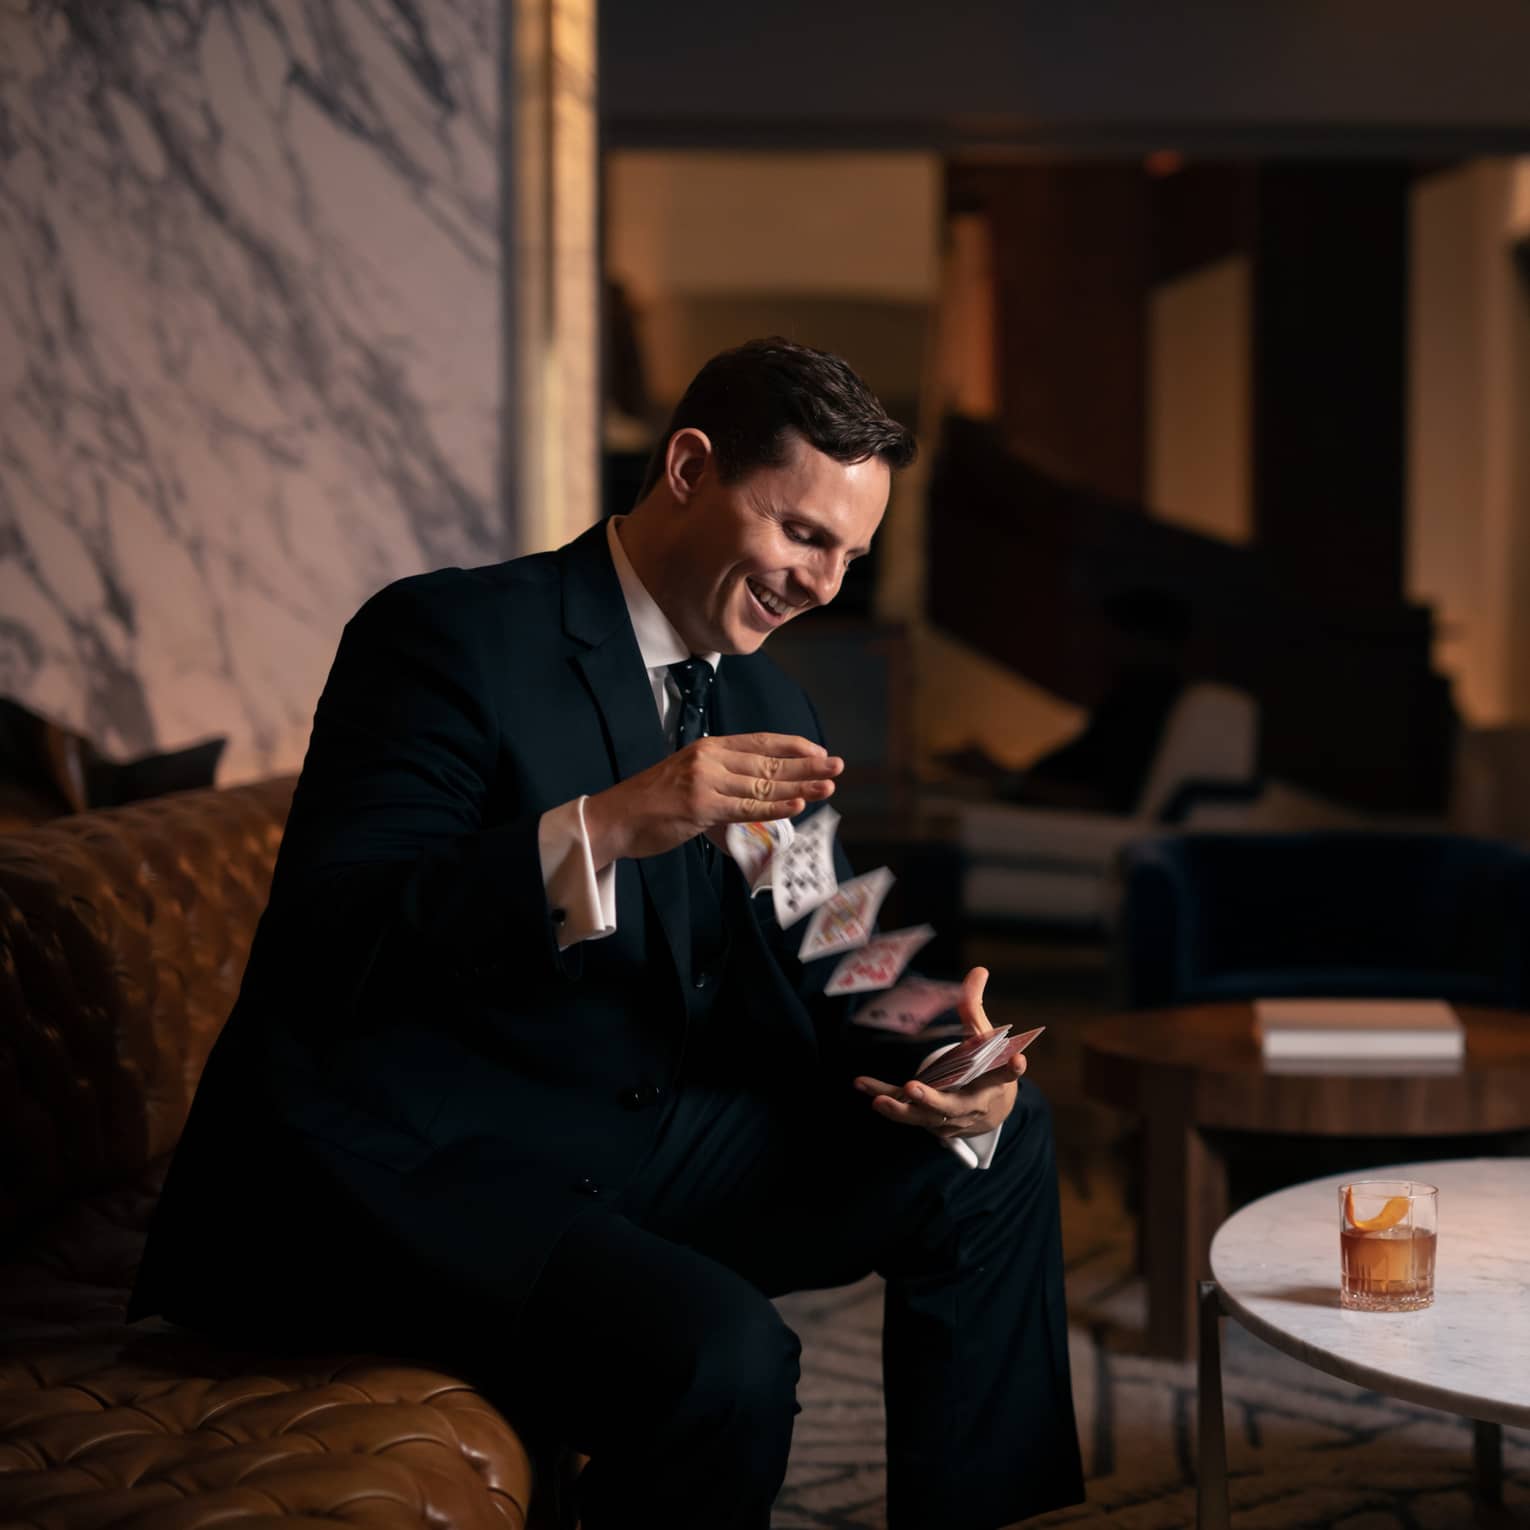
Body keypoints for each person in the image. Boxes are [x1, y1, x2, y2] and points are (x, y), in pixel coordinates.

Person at [130, 338, 1084, 1529]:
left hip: (629, 1137)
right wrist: (614, 821)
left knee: (1002, 1139)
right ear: (689, 467)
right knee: (728, 1364)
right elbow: (337, 932)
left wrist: (947, 1046)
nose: (825, 584)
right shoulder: (446, 636)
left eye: (850, 554)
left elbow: (834, 937)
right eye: (802, 534)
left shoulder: (765, 697)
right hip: (415, 1166)